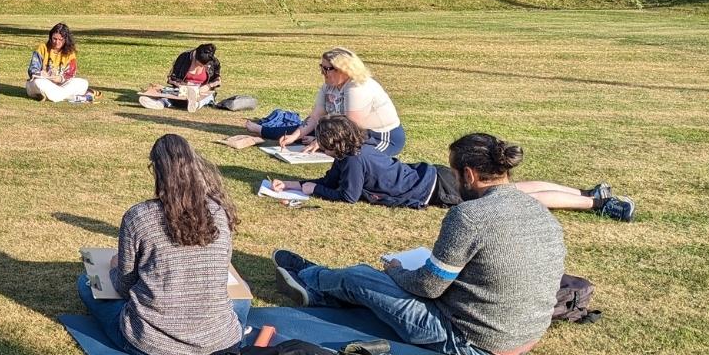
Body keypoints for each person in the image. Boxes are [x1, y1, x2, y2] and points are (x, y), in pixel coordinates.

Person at [272, 133, 566, 355]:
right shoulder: (537, 208)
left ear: (469, 175)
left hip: (468, 337)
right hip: (526, 334)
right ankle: (327, 286)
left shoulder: (468, 216)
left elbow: (428, 288)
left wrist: (396, 272)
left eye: (453, 172)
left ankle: (311, 281)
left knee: (359, 277)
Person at [270, 115, 636, 220]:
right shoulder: (359, 151)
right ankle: (587, 192)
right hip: (433, 175)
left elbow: (346, 196)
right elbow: (331, 178)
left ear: (333, 144)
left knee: (514, 198)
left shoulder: (353, 162)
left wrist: (311, 190)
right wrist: (296, 183)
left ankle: (595, 202)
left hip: (438, 190)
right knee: (517, 189)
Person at [76, 134, 244, 355]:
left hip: (151, 341)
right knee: (241, 299)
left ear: (156, 170)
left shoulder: (139, 217)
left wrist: (115, 267)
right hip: (221, 340)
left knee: (86, 284)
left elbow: (124, 287)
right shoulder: (218, 212)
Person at [244, 46, 405, 156]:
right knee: (300, 131)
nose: (322, 72)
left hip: (378, 136)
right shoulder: (329, 86)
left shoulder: (358, 87)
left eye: (326, 69)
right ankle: (262, 130)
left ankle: (324, 144)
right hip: (343, 130)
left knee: (353, 154)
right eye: (321, 67)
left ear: (343, 69)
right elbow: (314, 118)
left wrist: (322, 142)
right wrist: (293, 137)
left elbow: (352, 127)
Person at [139, 43, 221, 109]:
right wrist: (183, 85)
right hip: (182, 90)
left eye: (203, 66)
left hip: (201, 91)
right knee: (171, 94)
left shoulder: (213, 62)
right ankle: (158, 104)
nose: (200, 67)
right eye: (198, 64)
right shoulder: (183, 58)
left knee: (208, 96)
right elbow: (171, 78)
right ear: (195, 56)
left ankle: (195, 105)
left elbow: (217, 80)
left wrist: (208, 86)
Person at [27, 23, 93, 103]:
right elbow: (32, 70)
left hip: (60, 85)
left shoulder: (70, 53)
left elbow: (70, 74)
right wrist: (41, 74)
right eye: (54, 39)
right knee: (38, 82)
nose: (57, 42)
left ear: (65, 40)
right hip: (44, 83)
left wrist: (60, 79)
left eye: (60, 40)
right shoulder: (42, 48)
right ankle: (71, 97)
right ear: (50, 37)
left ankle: (55, 96)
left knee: (83, 83)